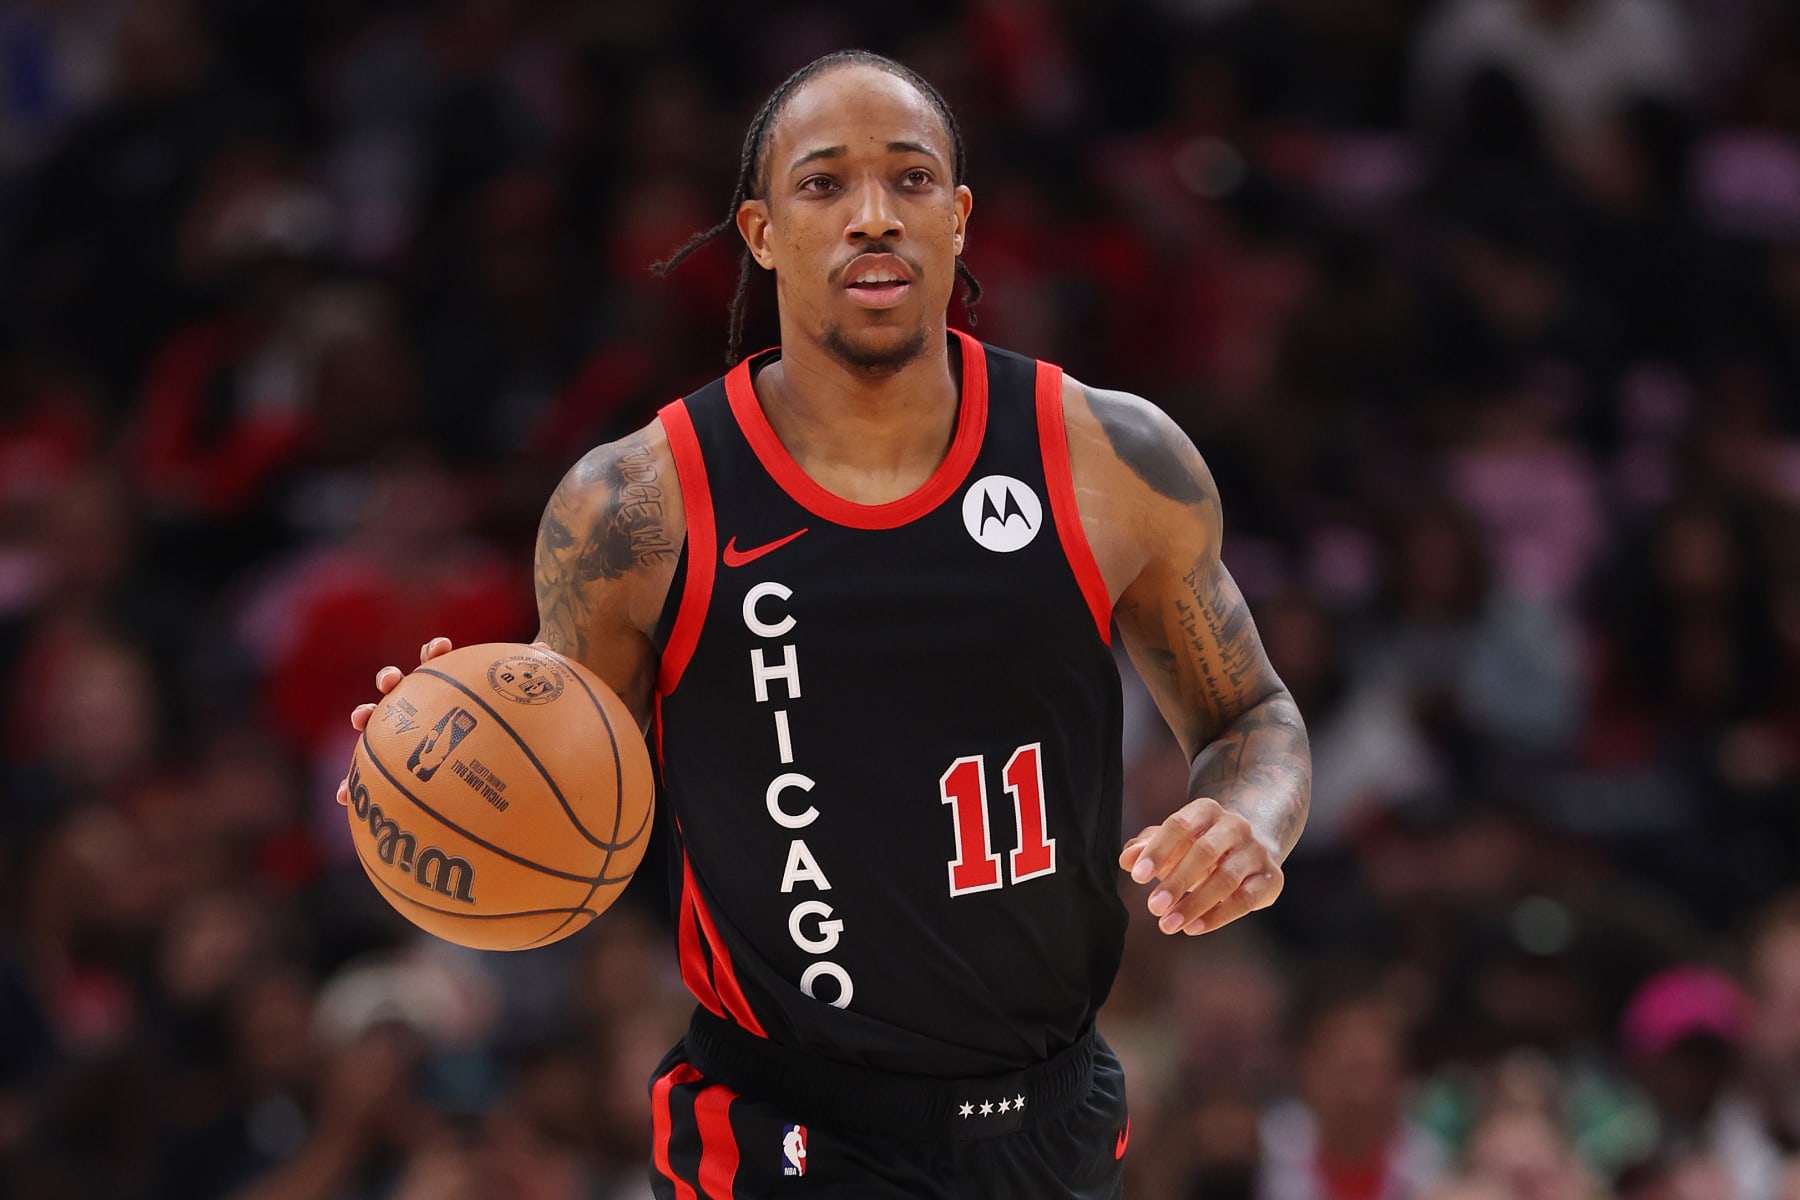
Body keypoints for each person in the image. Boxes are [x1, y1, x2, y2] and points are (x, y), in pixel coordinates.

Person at [339, 50, 1311, 1199]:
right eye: (823, 184)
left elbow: (1251, 714)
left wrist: (1249, 818)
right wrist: (451, 752)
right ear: (758, 230)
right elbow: (558, 796)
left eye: (908, 182)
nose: (871, 216)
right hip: (778, 1130)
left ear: (957, 221)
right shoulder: (636, 506)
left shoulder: (1112, 458)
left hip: (1050, 1118)